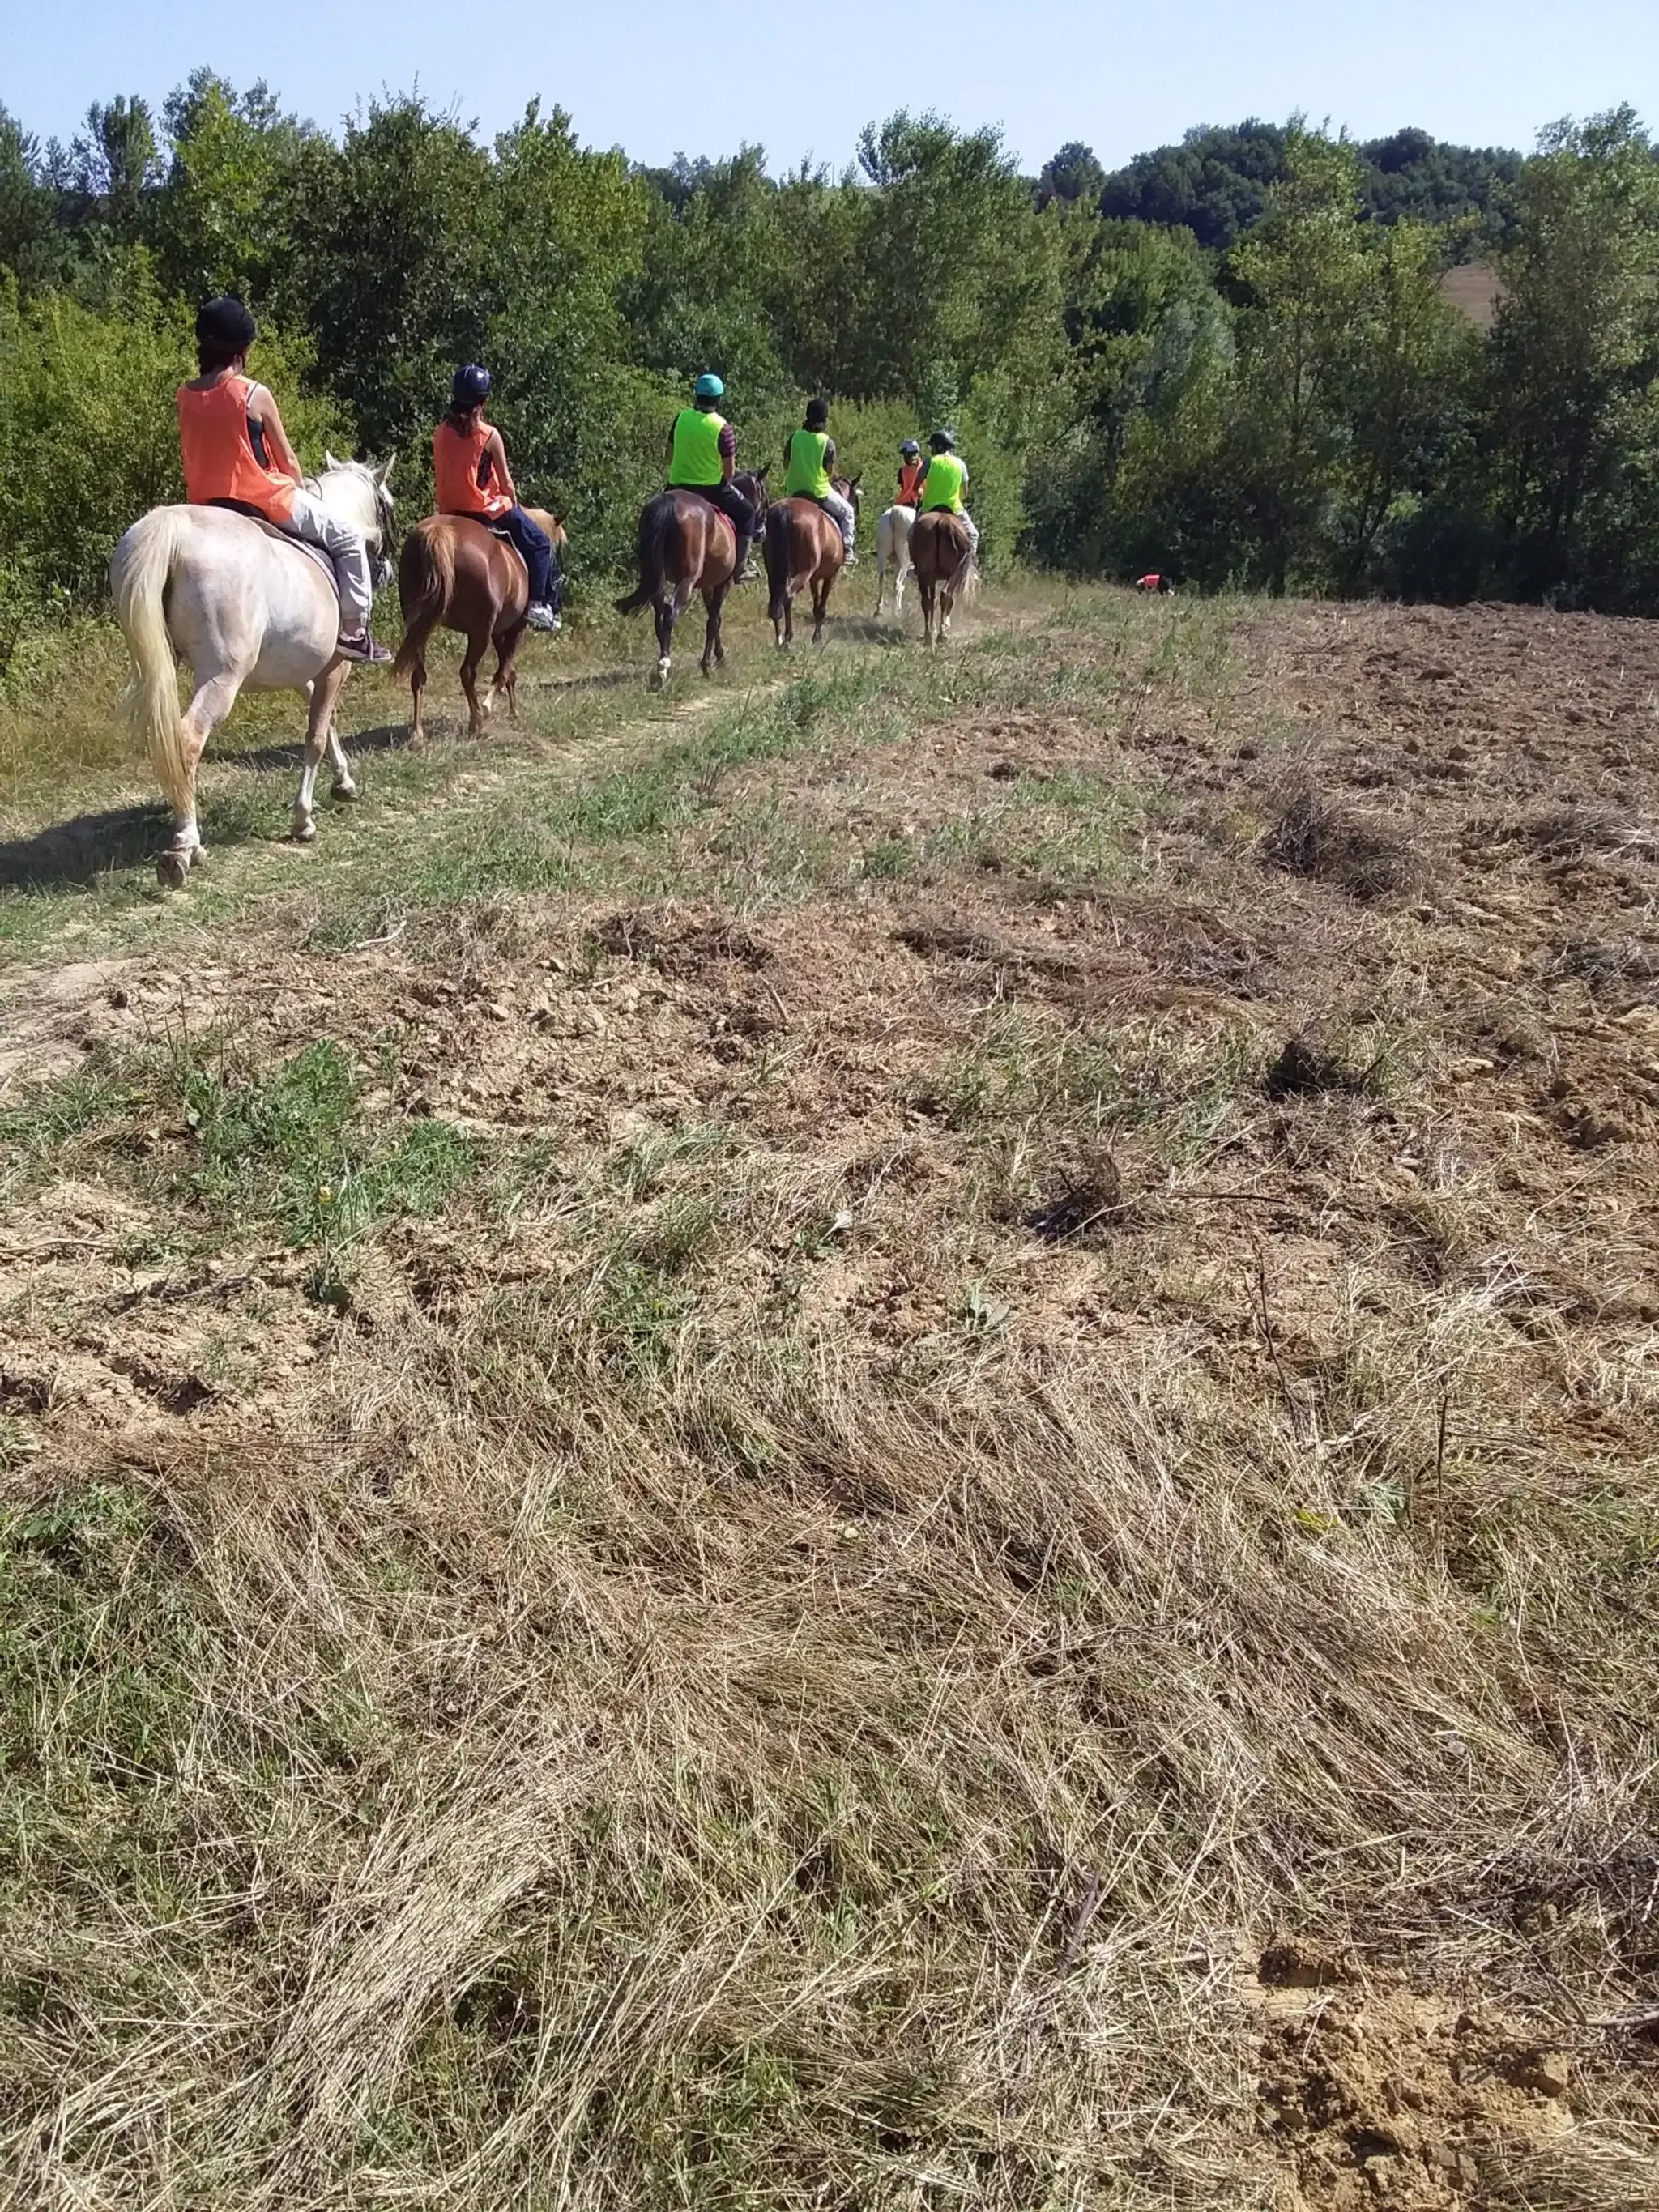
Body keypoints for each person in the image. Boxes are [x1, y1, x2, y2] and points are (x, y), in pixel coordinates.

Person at [176, 297, 390, 663]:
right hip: (264, 499)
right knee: (348, 537)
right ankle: (355, 632)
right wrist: (299, 486)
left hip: (205, 505)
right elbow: (288, 459)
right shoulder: (253, 394)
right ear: (242, 351)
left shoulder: (185, 395)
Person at [433, 366, 561, 633]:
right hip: (486, 510)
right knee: (540, 543)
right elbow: (506, 483)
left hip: (448, 510)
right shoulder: (489, 435)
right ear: (483, 402)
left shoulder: (441, 432)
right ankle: (538, 606)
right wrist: (514, 502)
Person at [666, 373, 757, 582]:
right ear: (719, 399)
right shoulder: (723, 428)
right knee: (748, 513)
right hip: (712, 489)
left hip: (675, 486)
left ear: (696, 394)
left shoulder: (680, 418)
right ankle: (740, 569)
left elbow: (668, 458)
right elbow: (729, 473)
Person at [781, 399, 858, 564]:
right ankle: (847, 552)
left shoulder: (795, 437)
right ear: (824, 419)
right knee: (848, 512)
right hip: (819, 492)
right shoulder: (827, 442)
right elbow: (830, 472)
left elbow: (786, 464)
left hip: (793, 491)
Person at [915, 428, 979, 562]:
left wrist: (921, 493)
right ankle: (970, 565)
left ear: (939, 447)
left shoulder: (929, 462)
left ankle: (913, 565)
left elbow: (916, 486)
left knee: (911, 534)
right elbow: (965, 492)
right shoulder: (960, 464)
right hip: (954, 508)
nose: (931, 450)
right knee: (973, 535)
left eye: (932, 447)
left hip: (929, 508)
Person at [896, 438, 925, 509]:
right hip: (907, 503)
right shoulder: (902, 470)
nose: (905, 458)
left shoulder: (926, 467)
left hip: (917, 502)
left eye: (907, 455)